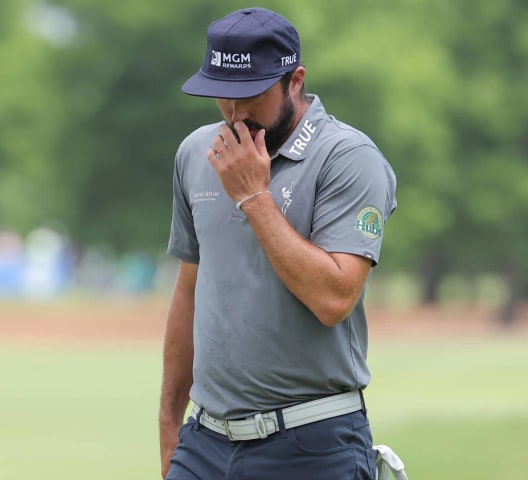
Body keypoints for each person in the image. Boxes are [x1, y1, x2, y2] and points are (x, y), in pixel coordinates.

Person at [159, 7, 398, 480]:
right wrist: (170, 424)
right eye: (221, 97)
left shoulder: (348, 157)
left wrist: (254, 196)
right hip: (204, 444)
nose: (235, 114)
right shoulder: (196, 152)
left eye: (250, 95)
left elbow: (334, 298)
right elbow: (189, 289)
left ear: (295, 80)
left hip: (313, 443)